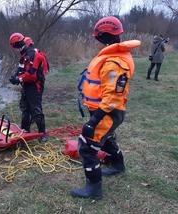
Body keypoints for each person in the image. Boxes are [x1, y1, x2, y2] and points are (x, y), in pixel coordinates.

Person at [70, 16, 141, 199]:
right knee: (106, 139)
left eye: (98, 38)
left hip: (108, 111)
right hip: (105, 110)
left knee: (86, 145)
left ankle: (93, 189)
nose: (96, 42)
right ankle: (118, 165)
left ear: (103, 36)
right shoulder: (111, 56)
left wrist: (93, 121)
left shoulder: (114, 63)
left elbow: (113, 97)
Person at [8, 33, 48, 143]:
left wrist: (19, 79)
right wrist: (15, 77)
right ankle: (25, 131)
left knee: (36, 109)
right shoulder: (24, 55)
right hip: (26, 85)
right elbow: (21, 69)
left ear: (16, 45)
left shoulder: (32, 54)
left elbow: (32, 75)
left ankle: (42, 133)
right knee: (25, 108)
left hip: (35, 85)